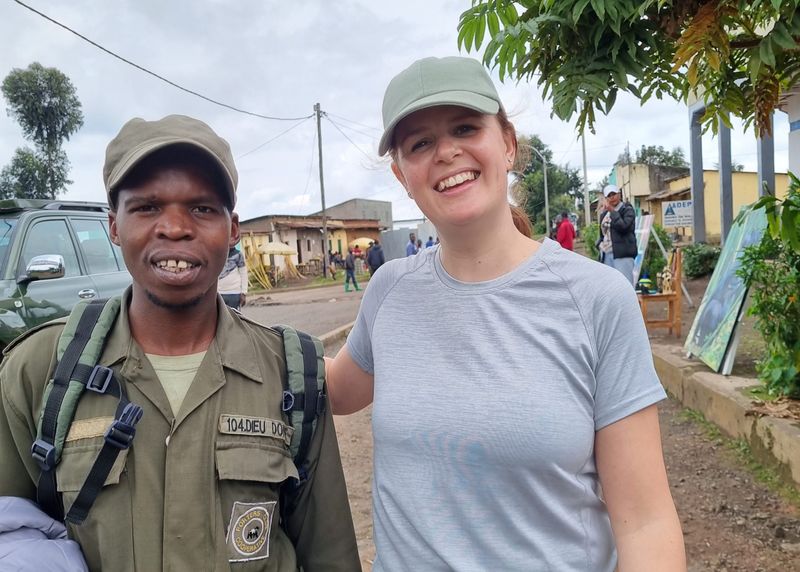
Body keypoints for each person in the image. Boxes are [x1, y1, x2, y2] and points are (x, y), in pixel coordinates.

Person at [325, 56, 685, 571]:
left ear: (508, 144)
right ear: (402, 175)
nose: (446, 152)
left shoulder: (597, 299)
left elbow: (645, 522)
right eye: (420, 144)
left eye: (465, 128)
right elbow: (333, 390)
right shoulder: (389, 290)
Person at [0, 114, 360, 571]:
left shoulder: (293, 375)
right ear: (114, 226)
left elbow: (330, 557)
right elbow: (10, 535)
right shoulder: (39, 371)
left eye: (202, 208)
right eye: (147, 207)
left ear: (233, 229)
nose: (174, 227)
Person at [599, 184, 637, 285]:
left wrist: (612, 211)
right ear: (606, 198)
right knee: (610, 287)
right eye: (609, 196)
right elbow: (602, 233)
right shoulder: (604, 214)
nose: (612, 197)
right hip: (607, 254)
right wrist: (599, 244)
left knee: (625, 285)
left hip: (622, 254)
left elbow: (623, 227)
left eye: (614, 194)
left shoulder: (627, 209)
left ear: (619, 195)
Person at [218, 244, 248, 310]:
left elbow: (243, 274)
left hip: (234, 293)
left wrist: (244, 293)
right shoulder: (216, 255)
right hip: (218, 293)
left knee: (233, 315)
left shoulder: (238, 255)